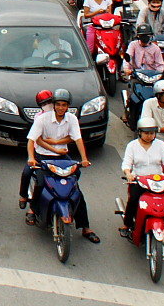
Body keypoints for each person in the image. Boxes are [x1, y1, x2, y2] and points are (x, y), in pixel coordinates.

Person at [24, 89, 99, 243]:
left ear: (68, 106)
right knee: (40, 182)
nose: (60, 107)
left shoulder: (72, 119)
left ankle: (85, 227)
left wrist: (84, 159)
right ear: (54, 105)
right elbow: (31, 140)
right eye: (57, 104)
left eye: (63, 105)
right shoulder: (42, 119)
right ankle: (33, 209)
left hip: (62, 157)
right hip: (42, 157)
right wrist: (31, 158)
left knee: (75, 188)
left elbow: (78, 139)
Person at [120, 117, 164, 254]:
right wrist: (128, 173)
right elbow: (126, 164)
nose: (149, 136)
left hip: (159, 181)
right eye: (146, 133)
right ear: (140, 132)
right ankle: (127, 225)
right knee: (133, 200)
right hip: (140, 180)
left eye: (152, 133)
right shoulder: (132, 145)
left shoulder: (160, 145)